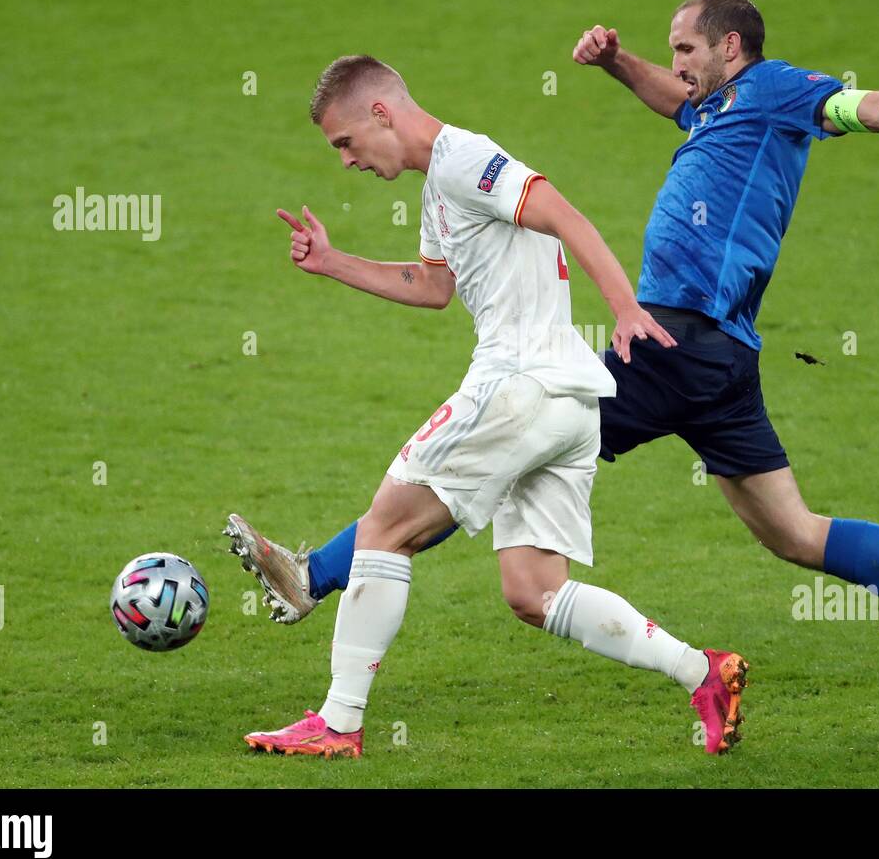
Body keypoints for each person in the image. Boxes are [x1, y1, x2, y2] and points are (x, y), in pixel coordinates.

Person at [243, 0, 879, 704]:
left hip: (670, 336)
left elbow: (868, 105)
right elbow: (670, 99)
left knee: (508, 433)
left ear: (731, 48)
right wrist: (614, 63)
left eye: (685, 49)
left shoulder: (777, 92)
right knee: (794, 532)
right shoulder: (712, 107)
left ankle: (317, 576)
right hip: (721, 359)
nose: (674, 64)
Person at [226, 54, 748, 760]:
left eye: (345, 142)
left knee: (383, 529)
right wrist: (333, 261)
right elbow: (433, 287)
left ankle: (338, 722)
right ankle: (702, 672)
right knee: (535, 592)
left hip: (518, 387)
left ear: (380, 113)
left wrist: (624, 308)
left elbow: (563, 212)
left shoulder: (463, 159)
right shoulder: (439, 185)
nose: (345, 162)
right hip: (568, 403)